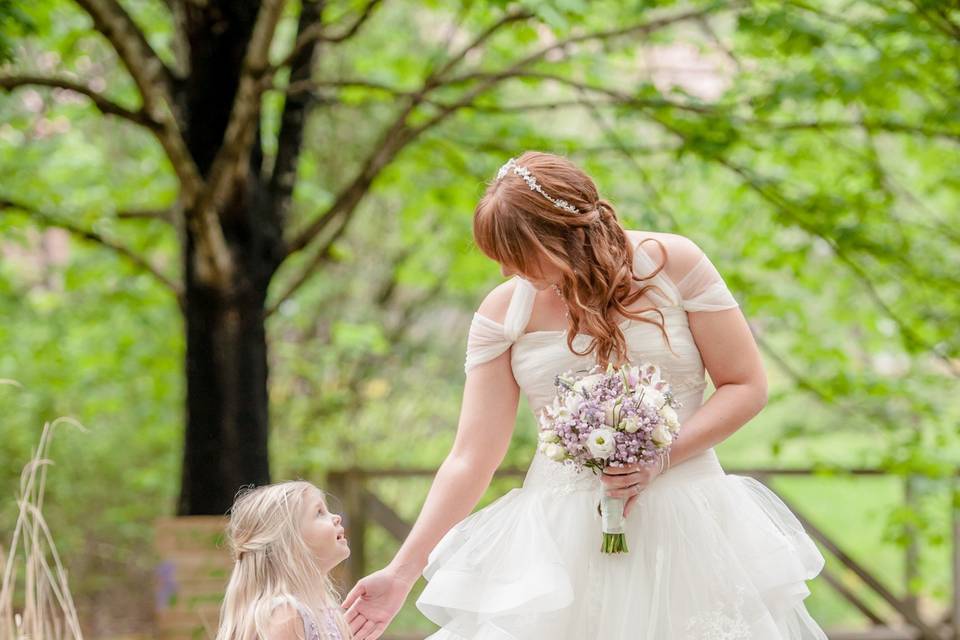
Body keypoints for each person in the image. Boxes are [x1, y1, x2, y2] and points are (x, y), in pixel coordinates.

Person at [342, 151, 827, 639]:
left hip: (688, 525)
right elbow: (470, 457)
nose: (512, 270)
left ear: (566, 229)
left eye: (520, 253)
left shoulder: (674, 264)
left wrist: (660, 458)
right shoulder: (503, 313)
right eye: (500, 257)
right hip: (560, 546)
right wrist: (400, 572)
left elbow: (746, 385)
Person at [215, 481, 353, 640]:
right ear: (289, 543)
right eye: (319, 512)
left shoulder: (329, 611)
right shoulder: (287, 616)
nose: (336, 517)